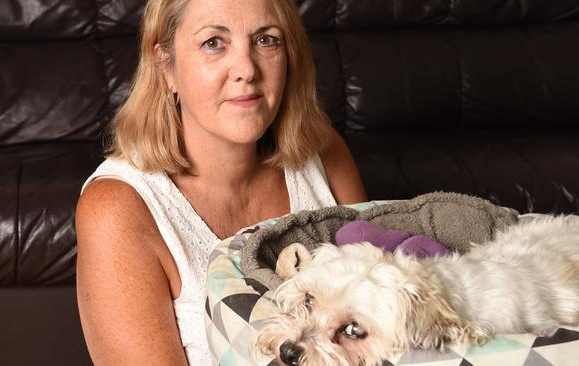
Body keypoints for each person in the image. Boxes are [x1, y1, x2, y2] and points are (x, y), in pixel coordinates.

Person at [75, 0, 367, 364]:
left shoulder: (324, 153)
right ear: (166, 65)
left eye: (266, 40)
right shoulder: (117, 208)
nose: (246, 68)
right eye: (214, 42)